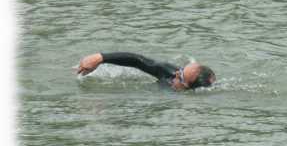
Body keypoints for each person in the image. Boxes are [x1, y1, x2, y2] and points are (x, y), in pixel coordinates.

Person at [77, 52, 216, 90]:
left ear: (187, 88)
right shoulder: (169, 72)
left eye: (181, 77)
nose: (176, 73)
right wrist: (101, 58)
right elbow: (137, 60)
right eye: (181, 69)